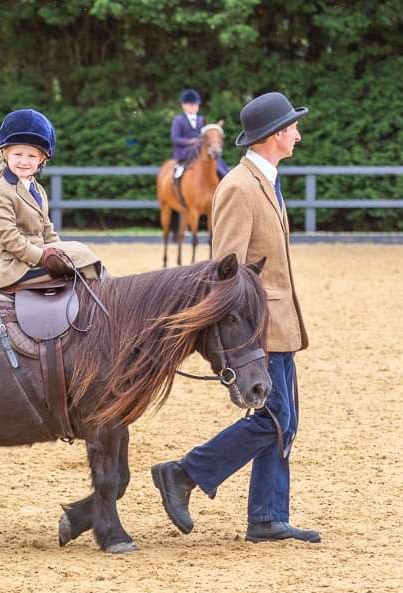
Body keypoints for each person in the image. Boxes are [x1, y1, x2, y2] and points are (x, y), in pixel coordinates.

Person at [151, 92, 320, 544]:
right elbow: (227, 269)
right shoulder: (239, 188)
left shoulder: (267, 180)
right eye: (292, 128)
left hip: (279, 321)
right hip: (256, 325)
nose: (298, 135)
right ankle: (183, 474)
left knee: (285, 420)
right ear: (273, 136)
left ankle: (267, 516)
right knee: (274, 418)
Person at [0, 108, 101, 292]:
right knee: (82, 256)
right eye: (18, 154)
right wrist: (42, 257)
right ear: (5, 153)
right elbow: (9, 238)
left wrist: (60, 251)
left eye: (32, 156)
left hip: (39, 253)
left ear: (42, 159)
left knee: (80, 254)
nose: (24, 161)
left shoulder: (38, 189)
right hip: (12, 262)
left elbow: (47, 229)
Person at [170, 88, 230, 180]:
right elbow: (175, 138)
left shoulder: (201, 119)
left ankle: (225, 177)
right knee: (179, 170)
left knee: (216, 158)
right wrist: (190, 141)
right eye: (191, 104)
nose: (194, 106)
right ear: (183, 105)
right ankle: (177, 178)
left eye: (196, 104)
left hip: (199, 149)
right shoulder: (178, 120)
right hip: (185, 151)